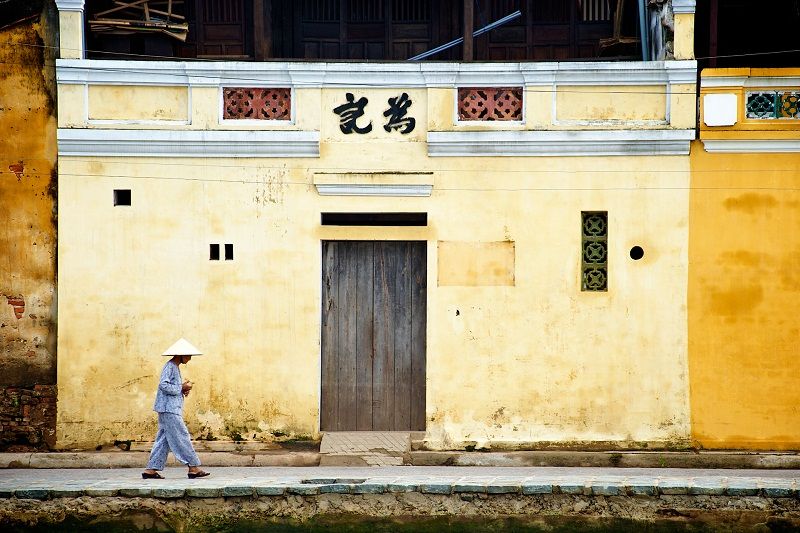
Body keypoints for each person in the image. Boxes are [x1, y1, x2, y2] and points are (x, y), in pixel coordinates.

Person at [142, 338, 210, 479]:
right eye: (188, 355)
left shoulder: (174, 367)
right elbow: (164, 385)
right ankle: (193, 467)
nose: (190, 358)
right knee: (181, 435)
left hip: (169, 408)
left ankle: (150, 470)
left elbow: (171, 387)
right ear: (181, 355)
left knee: (163, 439)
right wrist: (181, 387)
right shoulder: (170, 366)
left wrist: (182, 389)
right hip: (169, 409)